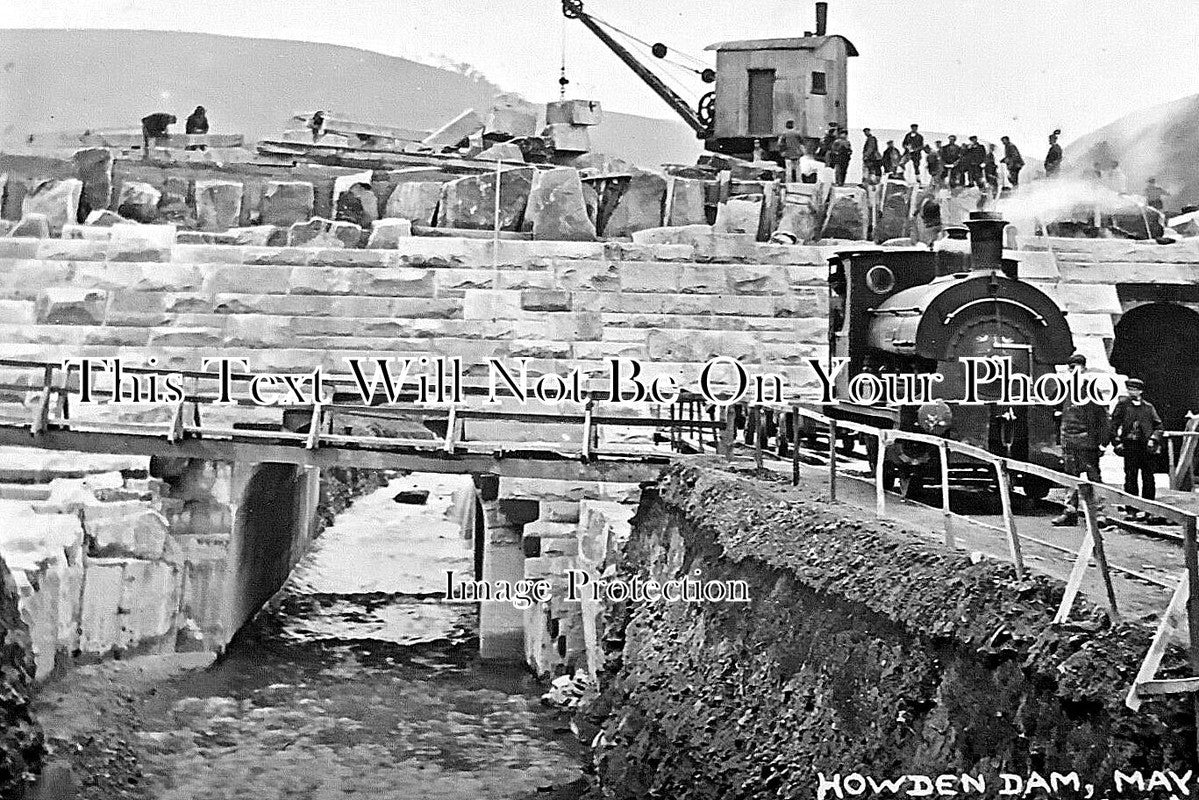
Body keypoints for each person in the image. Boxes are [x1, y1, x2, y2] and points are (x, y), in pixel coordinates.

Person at [1052, 353, 1111, 527]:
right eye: (1071, 368)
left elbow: (1103, 417)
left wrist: (1103, 441)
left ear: (1083, 369)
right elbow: (1053, 408)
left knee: (1094, 477)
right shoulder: (1064, 389)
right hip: (1068, 441)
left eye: (1077, 367)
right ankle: (1070, 512)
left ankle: (1100, 514)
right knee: (1070, 477)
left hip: (1088, 441)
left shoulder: (1092, 389)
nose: (1074, 371)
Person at [1108, 378, 1163, 519]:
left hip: (1145, 448)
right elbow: (1113, 425)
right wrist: (1117, 442)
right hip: (1130, 446)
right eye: (1130, 389)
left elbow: (1159, 426)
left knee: (1148, 478)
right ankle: (1131, 510)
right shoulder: (1123, 406)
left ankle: (1148, 510)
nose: (1132, 392)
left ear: (1141, 391)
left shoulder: (1148, 408)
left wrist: (1153, 439)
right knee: (1131, 477)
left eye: (1135, 389)